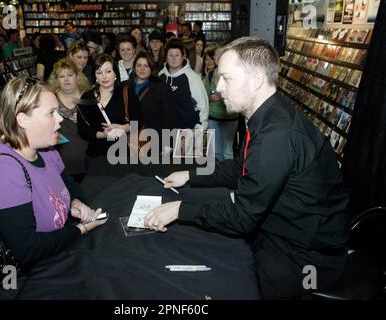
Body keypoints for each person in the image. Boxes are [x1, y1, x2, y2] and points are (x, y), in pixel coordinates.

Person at [145, 37, 349, 299]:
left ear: (255, 81)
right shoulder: (267, 115)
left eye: (226, 78)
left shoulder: (276, 136)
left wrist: (179, 209)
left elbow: (242, 218)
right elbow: (241, 167)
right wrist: (190, 175)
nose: (218, 88)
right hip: (285, 235)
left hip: (306, 259)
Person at [0, 77, 107, 273]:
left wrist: (76, 203)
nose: (60, 119)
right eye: (51, 113)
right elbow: (28, 249)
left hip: (55, 257)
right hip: (19, 277)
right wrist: (81, 229)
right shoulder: (0, 173)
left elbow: (70, 185)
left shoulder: (45, 149)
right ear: (22, 120)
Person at [77, 54, 142, 159]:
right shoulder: (87, 97)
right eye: (99, 72)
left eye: (108, 71)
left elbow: (138, 122)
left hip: (123, 154)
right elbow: (82, 130)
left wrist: (123, 128)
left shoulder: (126, 93)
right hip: (95, 156)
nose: (104, 76)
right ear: (95, 76)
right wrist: (104, 135)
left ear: (115, 73)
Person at [48, 58, 91, 182]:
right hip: (61, 167)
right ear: (57, 80)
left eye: (70, 75)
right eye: (61, 76)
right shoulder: (50, 100)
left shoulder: (90, 97)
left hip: (91, 163)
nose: (66, 79)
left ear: (77, 77)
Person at [129, 52, 176, 154]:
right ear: (134, 67)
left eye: (146, 65)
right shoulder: (125, 86)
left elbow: (169, 117)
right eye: (139, 65)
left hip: (154, 141)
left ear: (152, 68)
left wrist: (167, 143)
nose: (142, 69)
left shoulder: (161, 87)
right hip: (129, 141)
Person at [159, 39, 208, 129]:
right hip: (163, 131)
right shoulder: (160, 76)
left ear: (183, 56)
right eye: (170, 55)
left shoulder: (192, 78)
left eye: (177, 55)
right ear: (166, 57)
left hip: (186, 132)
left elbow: (202, 105)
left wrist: (198, 129)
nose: (174, 58)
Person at [204, 45, 238, 161]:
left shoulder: (235, 74)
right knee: (216, 152)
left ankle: (227, 176)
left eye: (220, 55)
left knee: (228, 152)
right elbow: (205, 96)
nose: (216, 57)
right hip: (213, 117)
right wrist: (210, 97)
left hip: (231, 117)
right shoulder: (210, 74)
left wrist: (222, 96)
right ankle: (218, 176)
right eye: (215, 55)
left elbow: (238, 96)